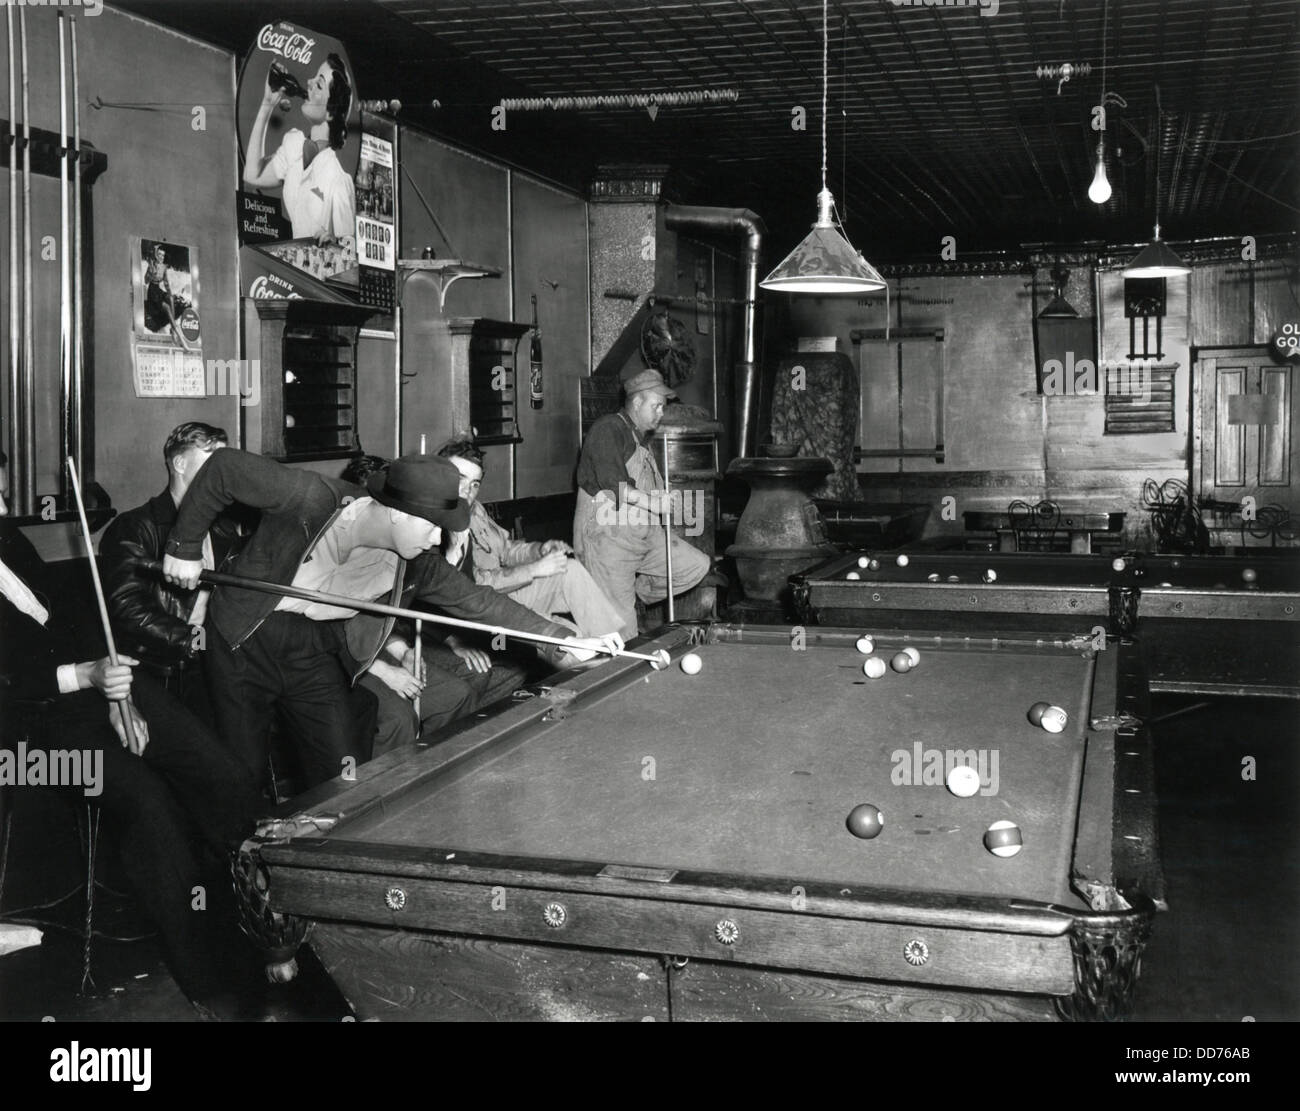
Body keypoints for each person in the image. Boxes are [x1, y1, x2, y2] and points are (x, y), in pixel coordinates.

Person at [162, 450, 621, 786]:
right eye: (432, 526)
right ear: (398, 514)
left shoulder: (417, 558)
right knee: (239, 774)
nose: (439, 539)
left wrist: (559, 638)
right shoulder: (308, 496)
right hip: (244, 636)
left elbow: (480, 603)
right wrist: (183, 547)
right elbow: (221, 467)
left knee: (342, 771)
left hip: (317, 643)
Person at [0, 453, 261, 1019]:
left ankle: (263, 927)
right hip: (22, 739)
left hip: (96, 687)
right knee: (149, 805)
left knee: (222, 772)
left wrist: (116, 691)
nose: (0, 508)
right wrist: (85, 678)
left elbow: (77, 619)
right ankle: (205, 980)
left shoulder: (9, 541)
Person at [99, 422, 242, 723]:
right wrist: (196, 642)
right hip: (165, 668)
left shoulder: (224, 526)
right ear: (179, 463)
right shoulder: (135, 527)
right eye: (213, 462)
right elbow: (129, 609)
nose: (223, 473)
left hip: (217, 663)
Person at [573, 369, 712, 641]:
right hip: (607, 543)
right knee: (621, 635)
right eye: (656, 405)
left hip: (643, 538)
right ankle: (614, 603)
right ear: (637, 402)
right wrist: (654, 503)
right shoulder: (608, 428)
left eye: (662, 406)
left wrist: (663, 501)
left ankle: (630, 595)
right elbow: (616, 484)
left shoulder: (639, 440)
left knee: (694, 565)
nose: (660, 412)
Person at [437, 439, 623, 639]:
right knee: (571, 641)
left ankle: (613, 645)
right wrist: (534, 570)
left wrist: (539, 551)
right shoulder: (433, 526)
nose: (467, 490)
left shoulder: (475, 510)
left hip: (508, 593)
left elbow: (506, 550)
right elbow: (472, 586)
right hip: (484, 610)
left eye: (474, 484)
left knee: (570, 569)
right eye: (459, 478)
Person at [243, 54, 355, 245]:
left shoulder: (338, 181)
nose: (309, 82)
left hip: (318, 273)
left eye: (319, 84)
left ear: (331, 112)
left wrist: (334, 243)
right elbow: (252, 175)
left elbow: (348, 255)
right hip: (292, 269)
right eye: (314, 77)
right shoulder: (293, 144)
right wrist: (267, 104)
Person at [142, 243, 194, 351]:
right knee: (167, 307)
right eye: (159, 254)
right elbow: (146, 281)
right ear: (156, 255)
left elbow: (166, 283)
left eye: (163, 255)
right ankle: (179, 337)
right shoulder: (151, 265)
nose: (161, 257)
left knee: (170, 298)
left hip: (159, 290)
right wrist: (151, 273)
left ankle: (172, 329)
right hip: (152, 292)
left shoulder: (164, 267)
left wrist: (170, 293)